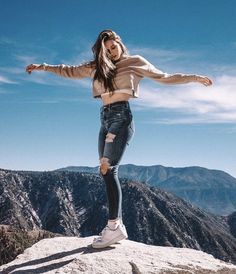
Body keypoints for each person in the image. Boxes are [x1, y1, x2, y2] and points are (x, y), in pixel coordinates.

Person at [26, 29, 212, 249]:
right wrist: (43, 66)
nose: (111, 52)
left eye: (113, 47)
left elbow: (165, 77)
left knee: (108, 168)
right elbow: (70, 71)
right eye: (106, 50)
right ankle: (117, 227)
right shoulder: (100, 66)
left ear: (120, 44)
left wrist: (195, 78)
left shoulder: (136, 62)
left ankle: (114, 227)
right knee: (104, 170)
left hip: (121, 117)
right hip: (104, 118)